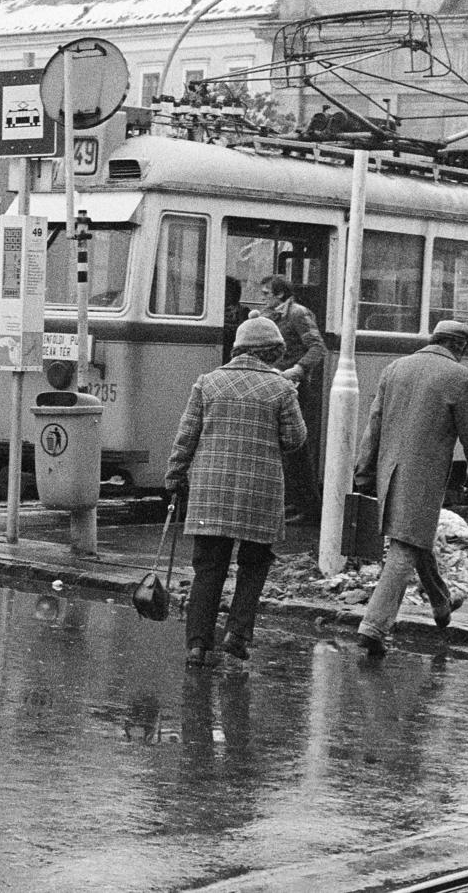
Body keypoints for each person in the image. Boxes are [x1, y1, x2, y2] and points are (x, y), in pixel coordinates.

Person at [164, 316, 305, 667]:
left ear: (238, 349)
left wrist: (174, 476)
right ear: (272, 352)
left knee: (209, 567)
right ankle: (238, 636)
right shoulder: (282, 388)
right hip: (261, 491)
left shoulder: (207, 383)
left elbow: (186, 436)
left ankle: (197, 645)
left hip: (211, 491)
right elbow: (294, 440)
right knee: (254, 565)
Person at [354, 319, 468, 658]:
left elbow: (373, 426)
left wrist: (364, 472)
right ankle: (374, 626)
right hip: (422, 479)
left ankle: (441, 602)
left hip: (390, 474)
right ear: (459, 346)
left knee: (415, 539)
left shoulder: (395, 369)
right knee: (405, 548)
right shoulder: (459, 378)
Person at [257, 274, 328, 526]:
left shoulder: (298, 313)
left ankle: (309, 509)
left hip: (295, 387)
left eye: (266, 293)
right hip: (278, 386)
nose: (262, 298)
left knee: (297, 449)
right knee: (284, 449)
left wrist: (298, 369)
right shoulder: (272, 316)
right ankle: (293, 502)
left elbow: (317, 347)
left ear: (280, 294)